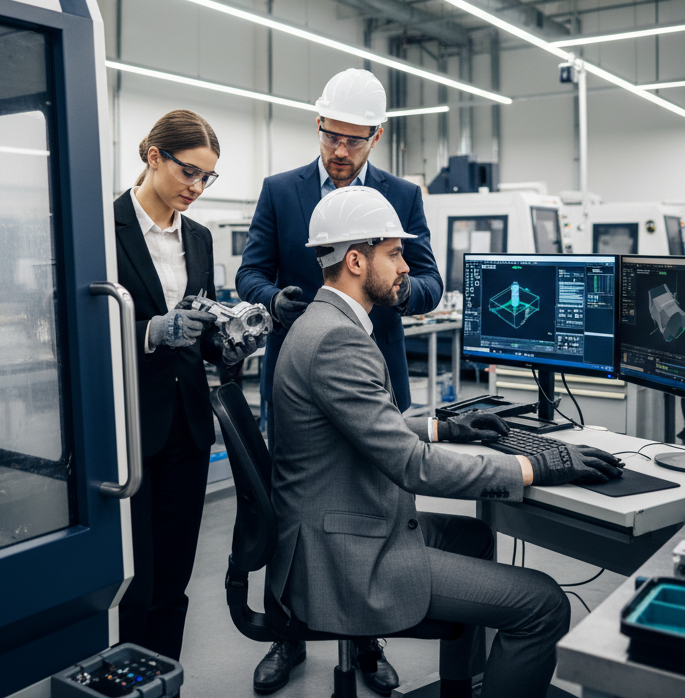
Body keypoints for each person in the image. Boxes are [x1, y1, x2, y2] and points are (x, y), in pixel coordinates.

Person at [268, 187, 625, 698]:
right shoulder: (337, 340)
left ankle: (464, 686)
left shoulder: (322, 323)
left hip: (338, 526)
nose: (405, 268)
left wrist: (445, 427)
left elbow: (365, 428)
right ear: (354, 260)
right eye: (393, 254)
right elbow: (412, 467)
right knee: (545, 604)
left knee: (475, 539)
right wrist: (534, 467)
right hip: (344, 559)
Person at [235, 67, 442, 694]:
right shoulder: (281, 190)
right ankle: (287, 634)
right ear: (318, 127)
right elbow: (249, 275)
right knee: (292, 506)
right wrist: (281, 304)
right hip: (297, 382)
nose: (339, 151)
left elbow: (430, 282)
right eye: (330, 136)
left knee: (374, 512)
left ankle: (368, 638)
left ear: (376, 136)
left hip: (375, 376)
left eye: (353, 140)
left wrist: (390, 290)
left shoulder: (402, 198)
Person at [114, 110, 261, 661]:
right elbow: (81, 329)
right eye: (189, 173)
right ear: (154, 157)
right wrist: (151, 331)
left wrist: (228, 343)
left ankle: (164, 678)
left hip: (189, 428)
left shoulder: (197, 238)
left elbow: (197, 333)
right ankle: (130, 677)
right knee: (136, 579)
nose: (197, 188)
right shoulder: (105, 227)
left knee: (174, 580)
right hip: (130, 430)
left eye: (207, 178)